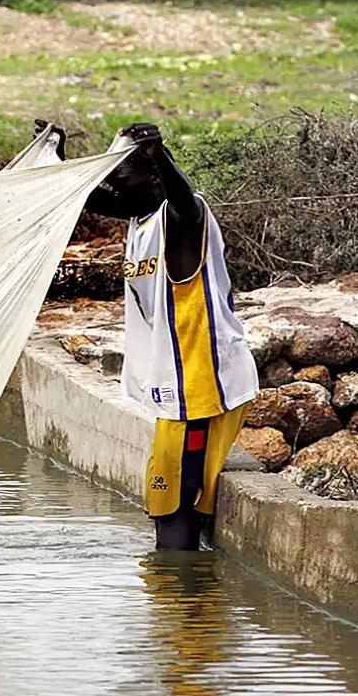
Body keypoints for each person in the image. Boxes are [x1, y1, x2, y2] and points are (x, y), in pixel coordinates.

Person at [33, 119, 259, 550]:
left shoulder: (181, 221)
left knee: (177, 502)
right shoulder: (140, 220)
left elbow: (185, 200)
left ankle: (183, 601)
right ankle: (174, 600)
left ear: (153, 177)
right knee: (166, 497)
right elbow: (86, 194)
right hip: (177, 388)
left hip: (203, 387)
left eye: (123, 175)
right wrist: (55, 154)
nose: (114, 187)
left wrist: (161, 156)